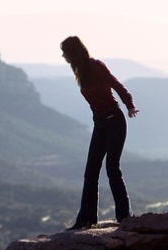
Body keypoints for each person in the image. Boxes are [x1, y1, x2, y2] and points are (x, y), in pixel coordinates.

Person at [60, 36, 140, 230]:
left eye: (65, 53)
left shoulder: (95, 66)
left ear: (74, 52)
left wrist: (129, 105)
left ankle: (124, 217)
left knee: (112, 168)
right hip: (100, 124)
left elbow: (116, 84)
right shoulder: (80, 72)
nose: (63, 56)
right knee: (91, 171)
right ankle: (86, 220)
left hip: (115, 121)